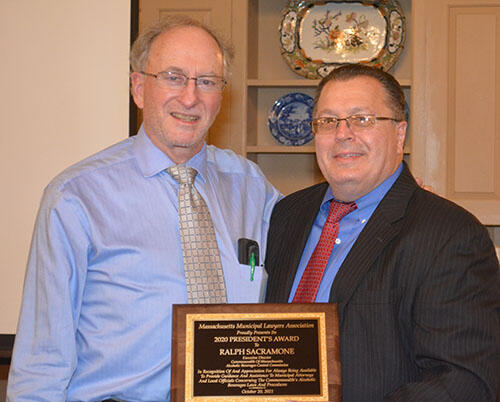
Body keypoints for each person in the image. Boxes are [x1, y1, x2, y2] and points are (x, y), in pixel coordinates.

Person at [7, 15, 280, 401]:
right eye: (173, 76)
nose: (190, 97)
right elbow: (42, 361)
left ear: (222, 95)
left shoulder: (252, 188)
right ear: (138, 87)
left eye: (207, 81)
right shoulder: (76, 197)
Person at [264, 64, 500, 401]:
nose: (343, 133)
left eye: (362, 119)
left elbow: (464, 382)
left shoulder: (451, 235)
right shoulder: (286, 216)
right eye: (328, 121)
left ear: (400, 134)